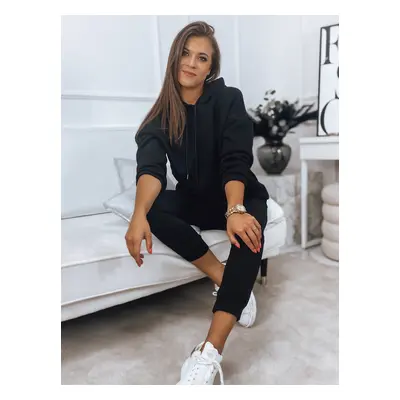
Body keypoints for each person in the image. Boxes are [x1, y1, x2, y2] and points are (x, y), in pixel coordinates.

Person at [125, 21, 269, 385]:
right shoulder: (159, 118)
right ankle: (224, 277)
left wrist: (235, 210)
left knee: (249, 232)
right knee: (152, 210)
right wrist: (138, 214)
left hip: (239, 194)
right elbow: (151, 170)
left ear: (210, 68)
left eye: (201, 58)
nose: (191, 63)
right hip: (197, 199)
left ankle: (208, 353)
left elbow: (236, 159)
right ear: (174, 58)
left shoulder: (228, 99)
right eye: (186, 54)